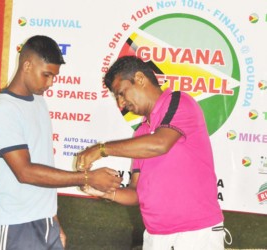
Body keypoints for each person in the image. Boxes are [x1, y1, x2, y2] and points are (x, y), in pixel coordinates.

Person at [0, 35, 122, 250]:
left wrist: (53, 221)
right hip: (14, 224)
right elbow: (25, 172)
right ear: (27, 65)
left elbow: (43, 163)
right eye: (46, 75)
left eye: (54, 76)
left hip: (45, 222)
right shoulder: (2, 110)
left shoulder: (38, 102)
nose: (50, 83)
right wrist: (88, 177)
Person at [76, 56, 225, 250]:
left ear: (139, 78)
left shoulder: (179, 102)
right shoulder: (141, 133)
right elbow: (136, 193)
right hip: (155, 236)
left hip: (195, 235)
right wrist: (106, 192)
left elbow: (160, 144)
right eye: (116, 97)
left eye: (121, 93)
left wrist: (101, 149)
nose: (121, 103)